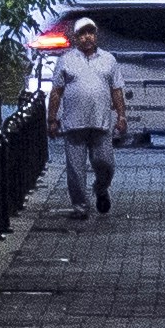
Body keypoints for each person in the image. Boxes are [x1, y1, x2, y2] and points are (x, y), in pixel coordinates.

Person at [47, 22, 130, 216]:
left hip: (101, 123)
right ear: (75, 37)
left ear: (96, 35)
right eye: (82, 33)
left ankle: (100, 188)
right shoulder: (66, 60)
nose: (87, 37)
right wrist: (52, 119)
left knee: (106, 164)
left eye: (90, 32)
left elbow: (116, 90)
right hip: (74, 124)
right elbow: (56, 92)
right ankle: (80, 207)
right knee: (75, 169)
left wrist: (121, 115)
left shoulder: (108, 59)